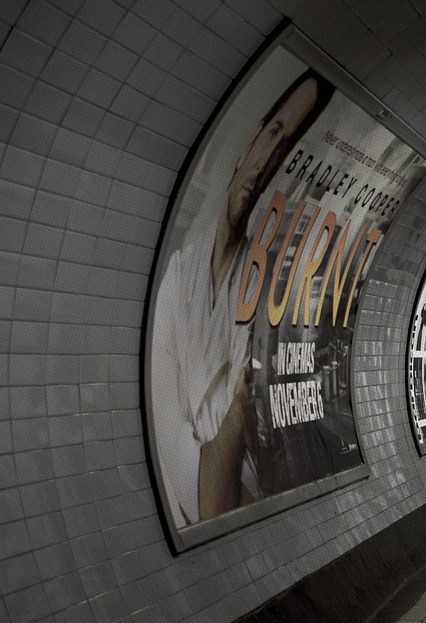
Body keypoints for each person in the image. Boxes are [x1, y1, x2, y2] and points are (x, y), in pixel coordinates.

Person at [151, 70, 334, 527]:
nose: (267, 160)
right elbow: (205, 498)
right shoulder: (176, 275)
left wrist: (225, 444)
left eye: (285, 148)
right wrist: (236, 413)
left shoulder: (266, 287)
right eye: (272, 134)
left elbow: (229, 504)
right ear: (250, 140)